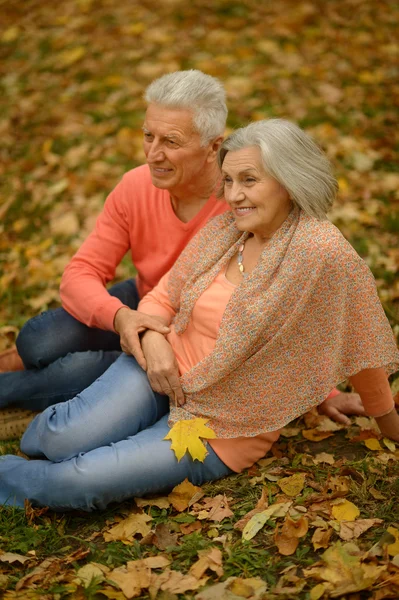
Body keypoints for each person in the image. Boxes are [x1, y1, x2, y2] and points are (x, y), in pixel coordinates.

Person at [1, 118, 398, 511]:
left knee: (74, 481)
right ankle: (57, 428)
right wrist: (154, 339)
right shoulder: (226, 232)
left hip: (223, 426)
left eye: (249, 180)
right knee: (58, 439)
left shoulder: (321, 252)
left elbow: (358, 336)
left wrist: (387, 421)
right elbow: (163, 296)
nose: (234, 195)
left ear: (289, 180)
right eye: (228, 181)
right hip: (157, 369)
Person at [0, 70, 360, 432]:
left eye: (171, 141)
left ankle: (50, 384)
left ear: (214, 147)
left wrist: (325, 393)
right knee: (39, 340)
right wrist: (123, 318)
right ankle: (44, 367)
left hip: (198, 340)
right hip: (146, 301)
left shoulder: (247, 202)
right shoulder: (135, 186)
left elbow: (293, 310)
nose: (154, 154)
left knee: (77, 370)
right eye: (148, 136)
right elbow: (81, 273)